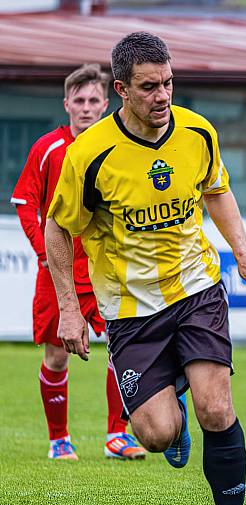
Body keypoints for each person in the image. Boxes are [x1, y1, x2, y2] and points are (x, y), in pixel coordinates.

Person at [45, 32, 246, 505]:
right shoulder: (89, 155)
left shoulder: (197, 132)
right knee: (156, 435)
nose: (163, 95)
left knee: (219, 408)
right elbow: (59, 228)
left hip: (196, 288)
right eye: (149, 87)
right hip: (129, 308)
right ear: (121, 89)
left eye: (169, 82)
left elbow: (217, 190)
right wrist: (68, 311)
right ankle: (173, 411)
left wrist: (243, 252)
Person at [11, 64, 146, 461]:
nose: (86, 108)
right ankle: (59, 440)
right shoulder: (47, 149)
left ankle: (116, 436)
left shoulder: (118, 147)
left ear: (106, 104)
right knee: (55, 354)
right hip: (58, 272)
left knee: (122, 349)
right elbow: (25, 204)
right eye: (79, 101)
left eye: (93, 101)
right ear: (67, 103)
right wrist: (45, 255)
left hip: (106, 269)